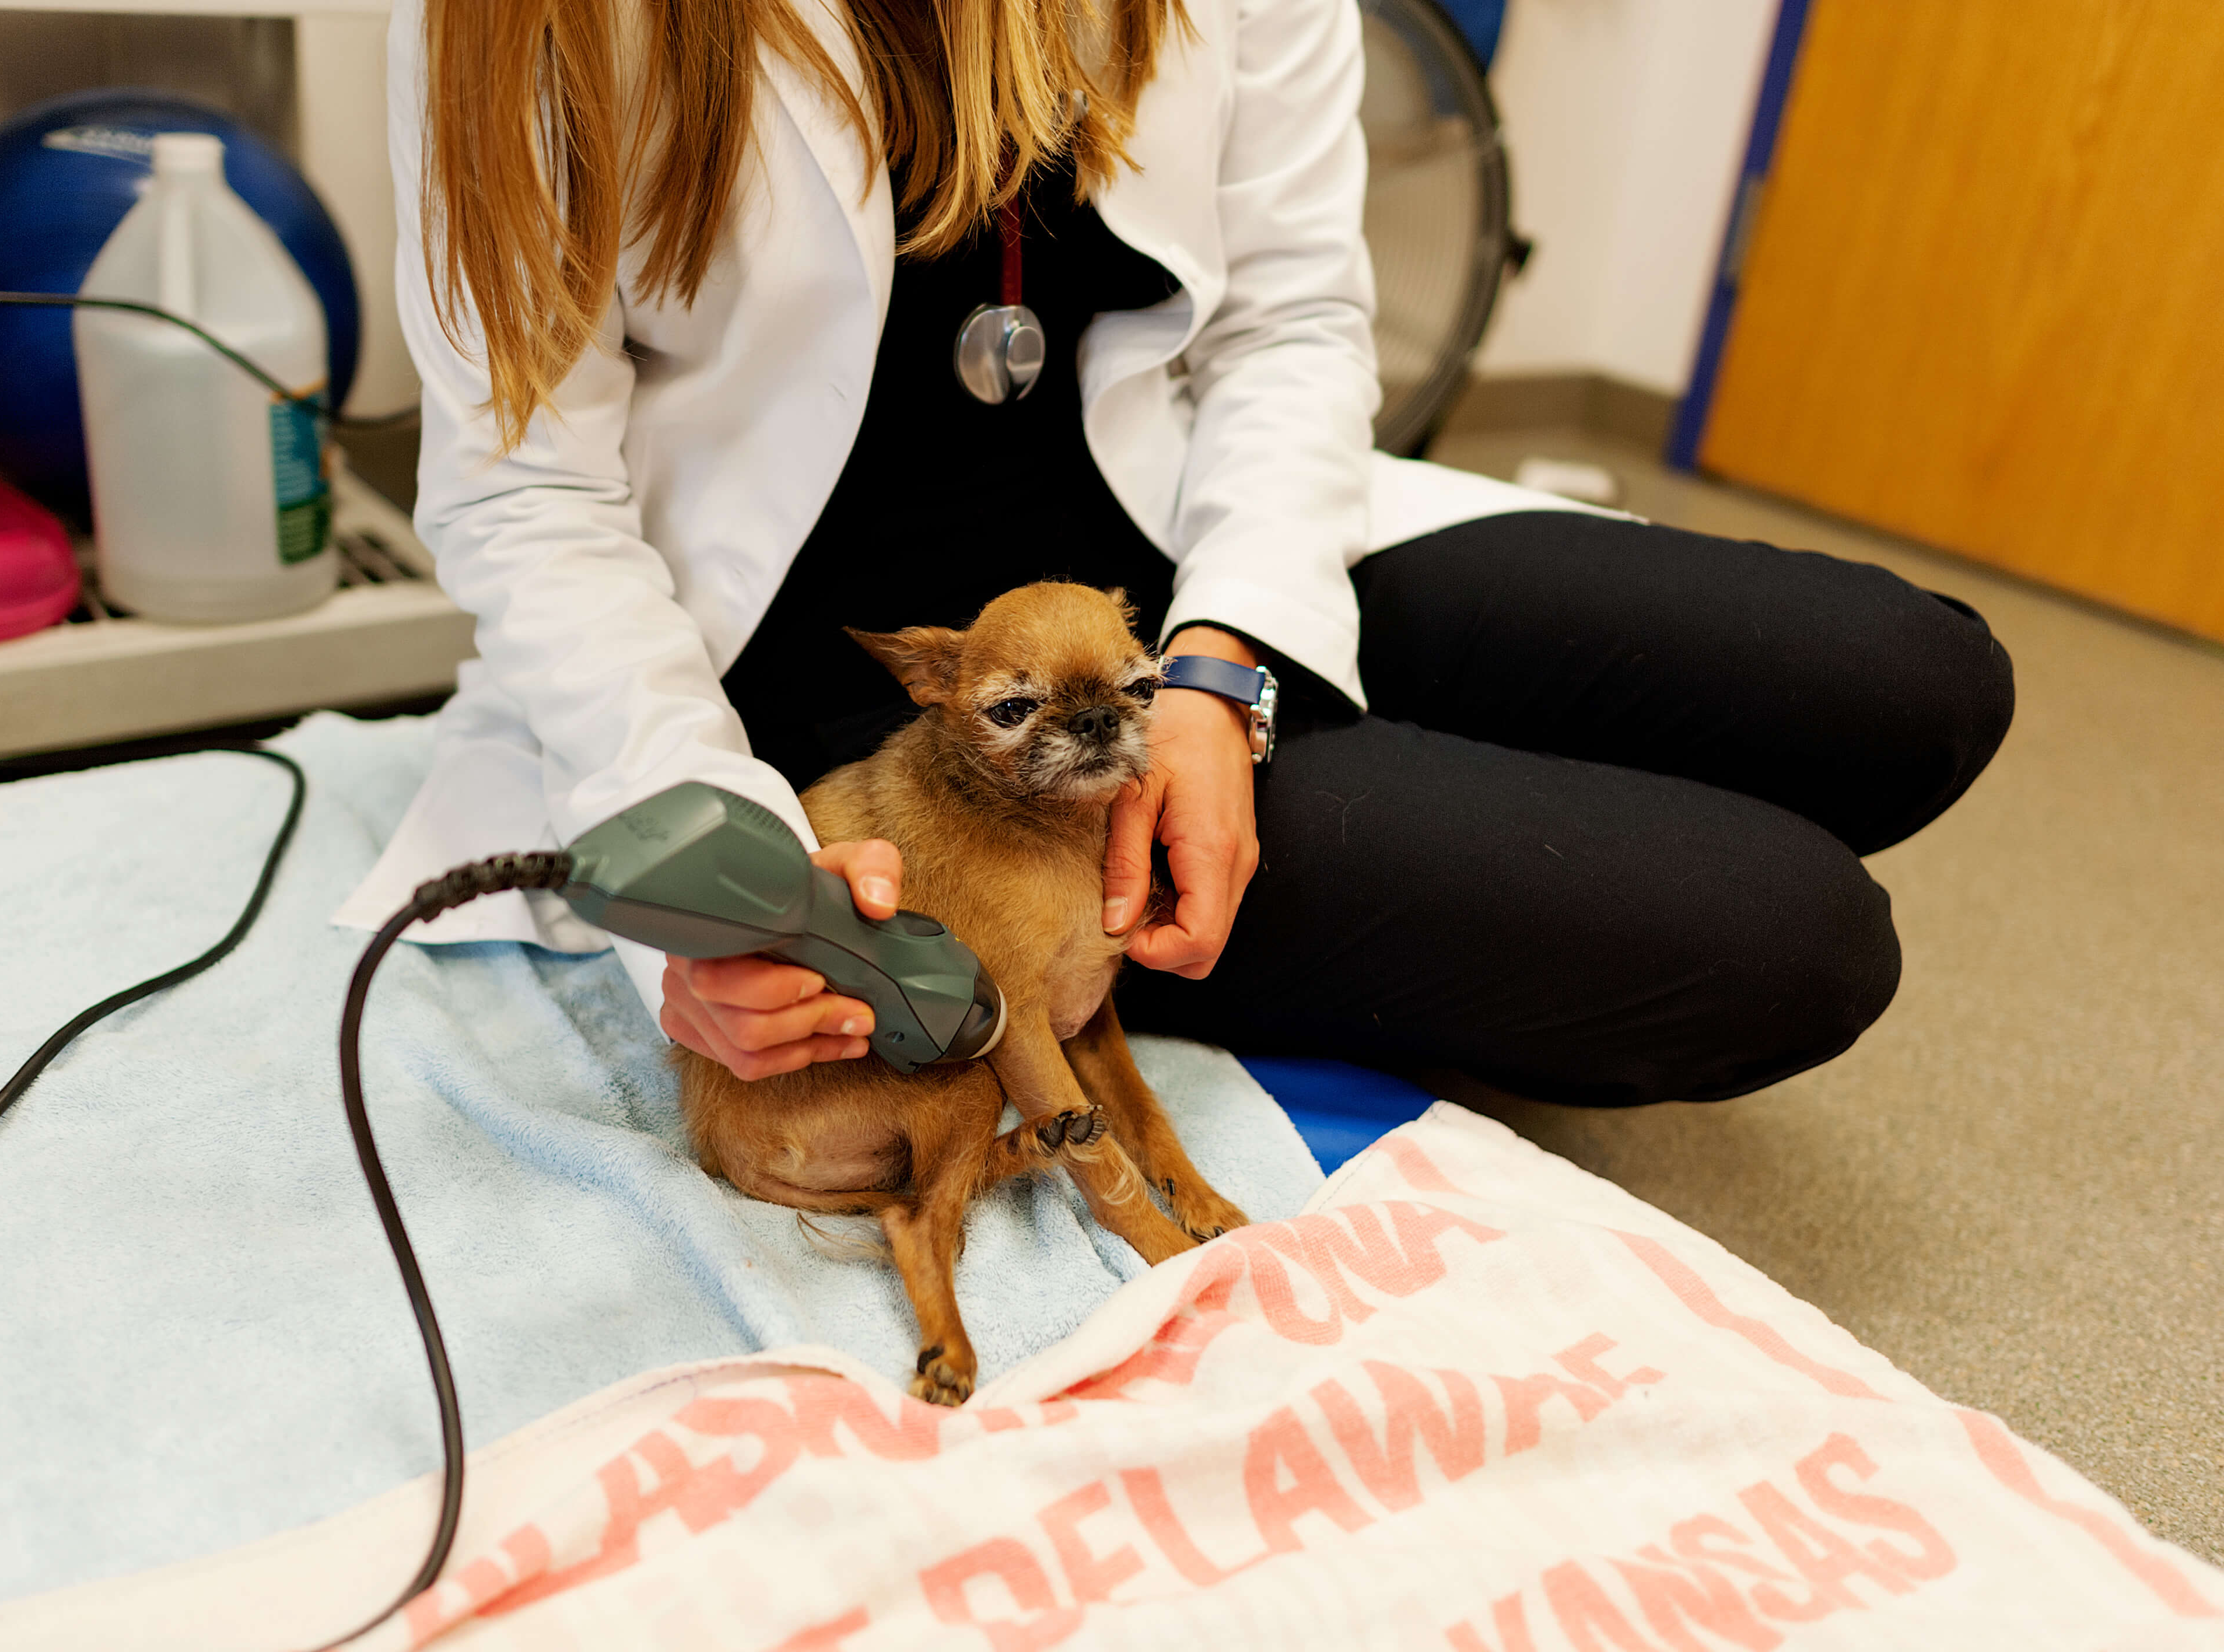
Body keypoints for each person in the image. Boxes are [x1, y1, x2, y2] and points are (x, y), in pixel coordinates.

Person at [337, 0, 2014, 1110]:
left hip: (1176, 542)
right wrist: (701, 884)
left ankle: (1362, 760)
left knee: (1909, 685)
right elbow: (522, 493)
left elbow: (1291, 317)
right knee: (1784, 940)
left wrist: (1225, 675)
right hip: (857, 702)